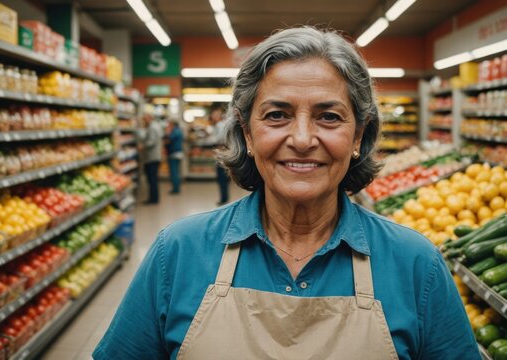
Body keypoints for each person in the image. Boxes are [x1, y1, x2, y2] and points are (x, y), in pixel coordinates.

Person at [93, 27, 479, 359]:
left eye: (329, 116)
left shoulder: (415, 264)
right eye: (277, 115)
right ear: (246, 132)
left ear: (358, 136)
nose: (302, 139)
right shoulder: (176, 253)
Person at [209, 107, 230, 205]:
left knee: (221, 177)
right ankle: (224, 197)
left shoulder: (219, 125)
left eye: (214, 115)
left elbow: (218, 139)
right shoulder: (223, 124)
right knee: (223, 176)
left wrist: (210, 139)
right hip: (225, 152)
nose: (213, 117)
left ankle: (223, 198)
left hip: (221, 153)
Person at [141, 114, 164, 204]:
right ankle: (154, 198)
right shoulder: (156, 126)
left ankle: (153, 199)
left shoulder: (152, 127)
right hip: (155, 156)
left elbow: (151, 142)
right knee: (153, 179)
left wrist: (143, 146)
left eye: (145, 119)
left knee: (152, 179)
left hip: (152, 157)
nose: (144, 121)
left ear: (149, 118)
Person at [165, 120, 184, 194]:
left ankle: (176, 189)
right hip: (177, 153)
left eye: (169, 124)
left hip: (174, 154)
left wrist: (167, 132)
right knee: (176, 172)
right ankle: (176, 188)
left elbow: (168, 140)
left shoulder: (175, 132)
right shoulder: (178, 131)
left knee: (174, 172)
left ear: (172, 124)